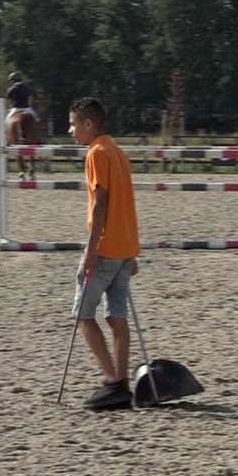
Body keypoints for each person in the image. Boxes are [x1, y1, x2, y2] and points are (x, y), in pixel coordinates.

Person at [68, 97, 141, 410]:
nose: (70, 131)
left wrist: (91, 248)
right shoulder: (119, 153)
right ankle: (122, 381)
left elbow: (101, 202)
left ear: (88, 123)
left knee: (83, 314)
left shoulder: (96, 153)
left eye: (72, 124)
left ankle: (112, 379)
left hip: (107, 247)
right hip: (125, 247)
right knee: (117, 316)